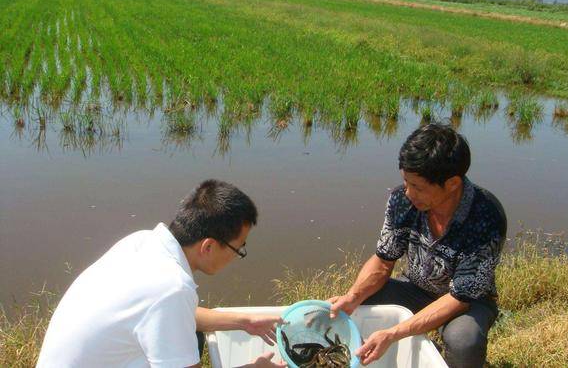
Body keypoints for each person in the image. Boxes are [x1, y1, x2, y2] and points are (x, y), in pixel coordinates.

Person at [37, 179, 286, 368]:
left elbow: (175, 315)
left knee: (192, 339)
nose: (238, 254)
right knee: (188, 342)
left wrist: (245, 322)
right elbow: (169, 306)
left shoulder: (142, 242)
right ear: (208, 246)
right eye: (238, 247)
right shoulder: (171, 288)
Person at [329, 123, 507, 368]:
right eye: (406, 182)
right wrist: (353, 297)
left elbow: (460, 297)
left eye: (418, 187)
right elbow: (383, 261)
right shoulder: (401, 200)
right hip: (415, 288)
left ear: (453, 183)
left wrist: (394, 333)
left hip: (466, 302)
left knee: (463, 340)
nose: (409, 193)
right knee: (361, 301)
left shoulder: (485, 216)